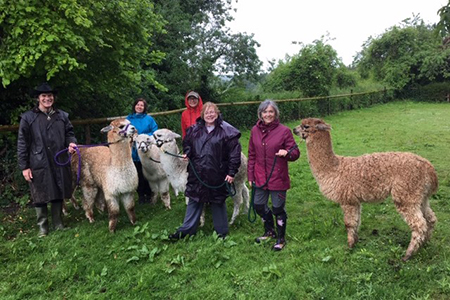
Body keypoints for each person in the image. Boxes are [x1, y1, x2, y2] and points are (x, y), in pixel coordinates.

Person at [169, 102, 241, 239]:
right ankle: (186, 231)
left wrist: (231, 172)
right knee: (194, 200)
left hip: (217, 174)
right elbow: (187, 144)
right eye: (207, 112)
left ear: (217, 113)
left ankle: (222, 232)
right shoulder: (194, 130)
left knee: (218, 201)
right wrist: (188, 153)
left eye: (212, 112)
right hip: (198, 173)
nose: (210, 115)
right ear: (202, 114)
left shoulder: (227, 130)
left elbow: (234, 153)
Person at [17, 82, 78, 237]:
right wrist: (24, 166)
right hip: (38, 161)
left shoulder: (62, 116)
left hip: (59, 158)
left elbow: (69, 132)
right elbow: (22, 143)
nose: (47, 99)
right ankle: (43, 227)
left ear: (53, 98)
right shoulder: (28, 118)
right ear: (38, 98)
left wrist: (72, 143)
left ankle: (58, 223)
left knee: (58, 189)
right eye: (44, 96)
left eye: (50, 96)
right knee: (40, 192)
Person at [247, 99, 300, 251]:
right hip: (259, 177)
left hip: (277, 176)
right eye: (265, 112)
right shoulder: (254, 131)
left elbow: (295, 152)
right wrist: (250, 177)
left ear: (276, 113)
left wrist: (287, 152)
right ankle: (269, 231)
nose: (268, 114)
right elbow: (251, 155)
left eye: (271, 111)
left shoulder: (284, 131)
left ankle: (280, 238)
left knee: (278, 208)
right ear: (260, 114)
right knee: (258, 205)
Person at [127, 98, 158, 204]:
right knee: (138, 173)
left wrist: (143, 137)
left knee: (147, 173)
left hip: (146, 150)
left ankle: (149, 194)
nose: (139, 107)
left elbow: (154, 131)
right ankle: (140, 195)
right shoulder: (129, 119)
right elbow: (125, 132)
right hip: (135, 151)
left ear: (144, 108)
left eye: (142, 105)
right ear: (134, 106)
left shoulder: (149, 119)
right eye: (138, 105)